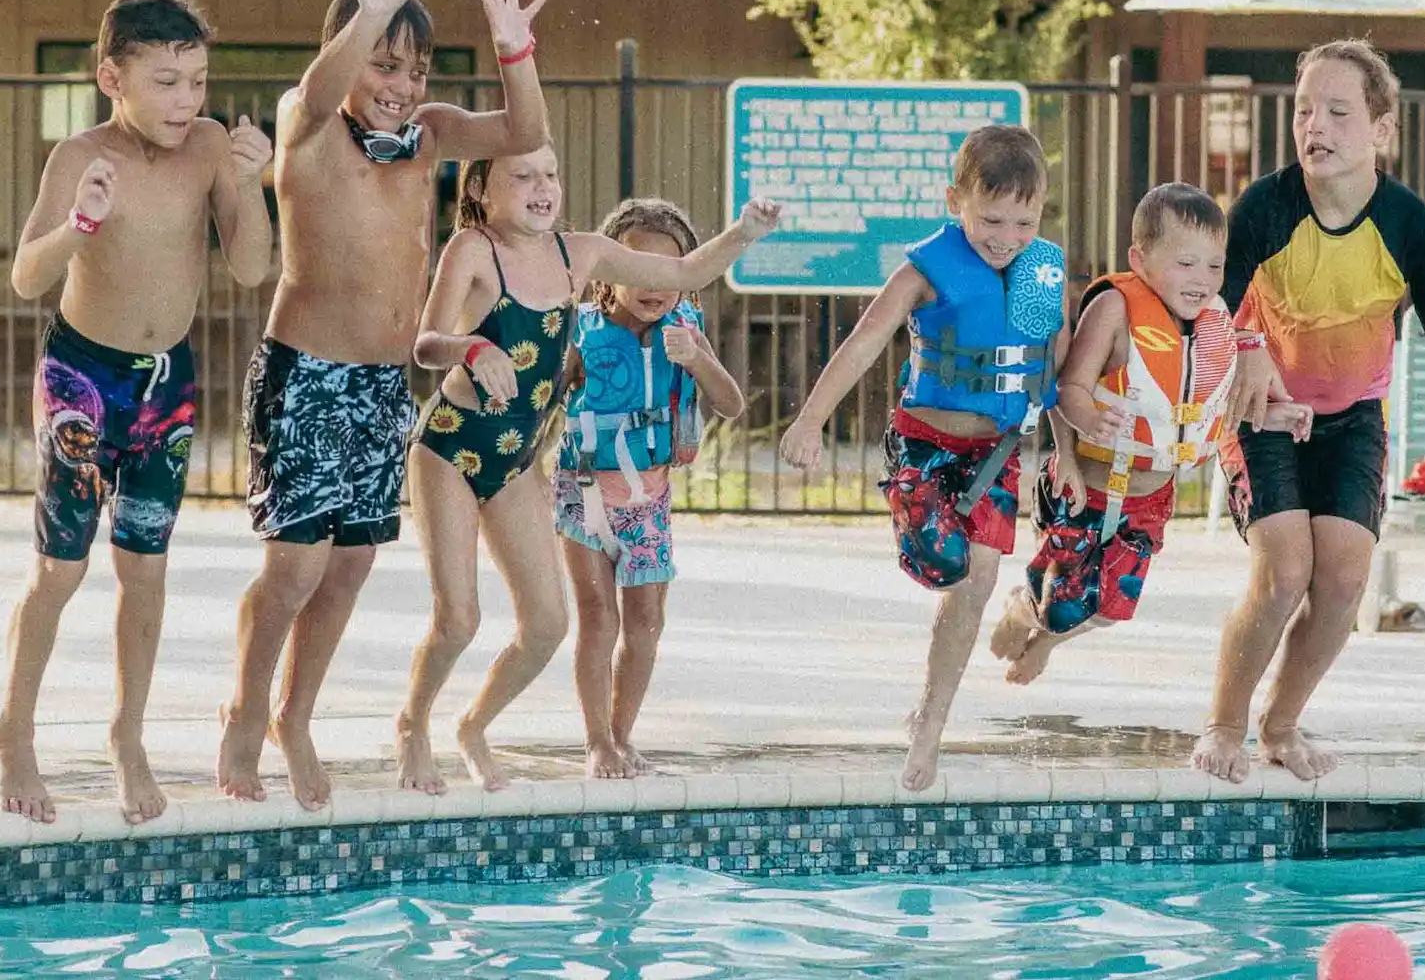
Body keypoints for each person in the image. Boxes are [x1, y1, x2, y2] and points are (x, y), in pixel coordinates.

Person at [218, 0, 548, 810]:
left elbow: (525, 130)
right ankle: (246, 712)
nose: (400, 84)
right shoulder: (312, 123)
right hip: (308, 375)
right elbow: (321, 91)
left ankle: (297, 715)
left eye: (415, 67)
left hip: (379, 388)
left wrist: (515, 48)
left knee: (352, 567)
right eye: (384, 64)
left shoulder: (431, 136)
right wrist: (364, 15)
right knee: (295, 565)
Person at [400, 147, 778, 793]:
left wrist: (744, 231)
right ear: (483, 188)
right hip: (453, 445)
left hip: (517, 459)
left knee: (547, 625)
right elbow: (426, 342)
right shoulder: (473, 249)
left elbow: (688, 268)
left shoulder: (581, 252)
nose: (541, 186)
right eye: (522, 175)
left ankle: (473, 724)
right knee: (458, 619)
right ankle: (414, 725)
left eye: (551, 172)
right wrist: (473, 345)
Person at [0, 0, 274, 825]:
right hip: (83, 377)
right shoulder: (80, 157)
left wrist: (254, 185)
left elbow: (252, 270)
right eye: (166, 81)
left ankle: (128, 735)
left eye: (196, 80)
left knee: (145, 569)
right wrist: (78, 225)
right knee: (63, 567)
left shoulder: (212, 147)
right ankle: (14, 730)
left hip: (166, 383)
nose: (187, 100)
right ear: (111, 76)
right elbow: (25, 277)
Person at [1192, 39, 1425, 784]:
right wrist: (1248, 345)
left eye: (1336, 111)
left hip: (1354, 417)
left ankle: (1280, 725)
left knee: (1345, 580)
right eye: (1302, 111)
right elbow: (1207, 307)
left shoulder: (1409, 225)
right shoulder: (1265, 207)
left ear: (1381, 131)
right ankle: (1224, 723)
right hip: (1265, 410)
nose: (1313, 126)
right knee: (1285, 570)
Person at [778, 124, 1072, 792]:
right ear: (954, 201)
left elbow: (1045, 369)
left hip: (995, 452)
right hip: (927, 445)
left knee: (980, 578)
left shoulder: (1038, 273)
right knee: (947, 564)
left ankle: (929, 723)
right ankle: (930, 555)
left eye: (1024, 220)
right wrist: (811, 420)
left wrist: (1072, 454)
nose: (1007, 235)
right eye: (991, 218)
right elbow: (862, 342)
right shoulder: (924, 269)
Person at [987, 183, 1309, 684]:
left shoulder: (1214, 324)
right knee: (1060, 598)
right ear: (1140, 259)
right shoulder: (1115, 309)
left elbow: (1213, 410)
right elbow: (1067, 384)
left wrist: (1275, 417)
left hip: (1152, 496)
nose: (1202, 280)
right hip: (1089, 486)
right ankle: (1023, 611)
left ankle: (1046, 638)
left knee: (1111, 607)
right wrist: (1083, 428)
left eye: (1214, 266)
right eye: (1186, 263)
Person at [552, 199, 747, 779]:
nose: (654, 284)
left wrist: (698, 361)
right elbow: (542, 404)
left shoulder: (685, 330)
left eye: (670, 271)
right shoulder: (582, 330)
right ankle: (595, 741)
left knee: (645, 622)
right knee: (597, 618)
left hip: (650, 501)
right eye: (639, 267)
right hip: (583, 491)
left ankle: (620, 733)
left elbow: (732, 404)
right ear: (610, 271)